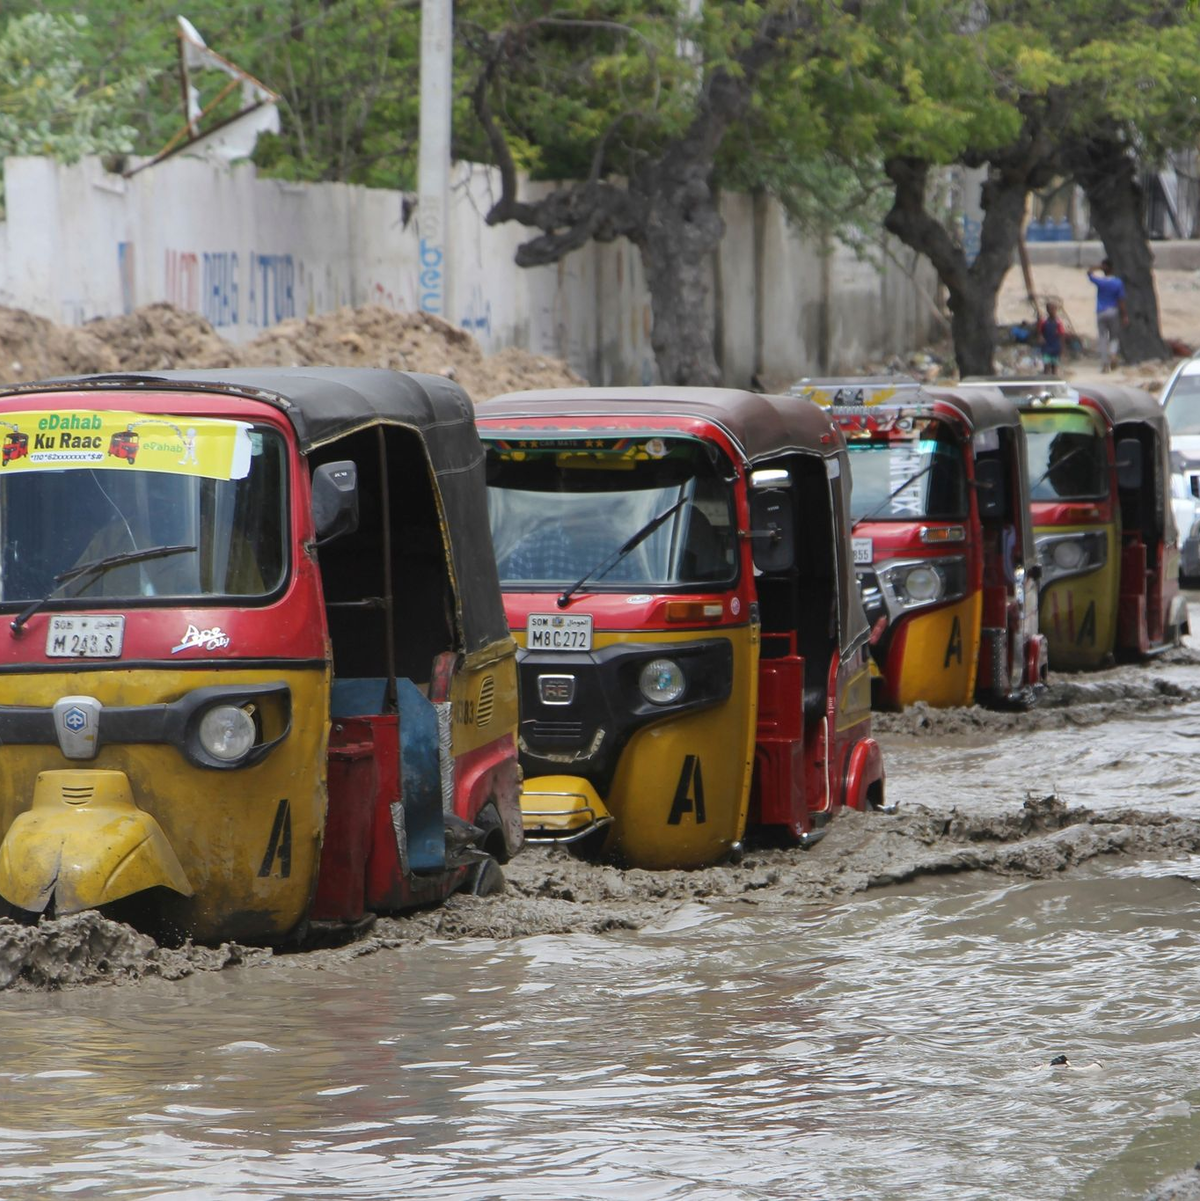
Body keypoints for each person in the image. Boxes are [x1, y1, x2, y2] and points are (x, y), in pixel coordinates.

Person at [1086, 259, 1129, 372]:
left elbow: (1089, 273)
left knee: (1103, 338)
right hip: (1113, 311)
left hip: (1101, 312)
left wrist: (1098, 267)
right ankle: (1113, 354)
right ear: (1113, 268)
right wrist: (1124, 315)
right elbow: (1121, 300)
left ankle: (1105, 364)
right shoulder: (1118, 282)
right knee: (1114, 337)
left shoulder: (1100, 281)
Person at [1037, 301, 1066, 377]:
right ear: (1047, 310)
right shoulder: (1044, 321)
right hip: (1046, 346)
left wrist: (1062, 348)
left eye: (1053, 309)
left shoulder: (1058, 322)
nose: (1052, 311)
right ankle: (1046, 381)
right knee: (1046, 366)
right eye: (1050, 309)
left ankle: (1053, 381)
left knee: (1054, 367)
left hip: (1056, 346)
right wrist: (1040, 337)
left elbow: (1062, 335)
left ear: (1056, 310)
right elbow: (1040, 332)